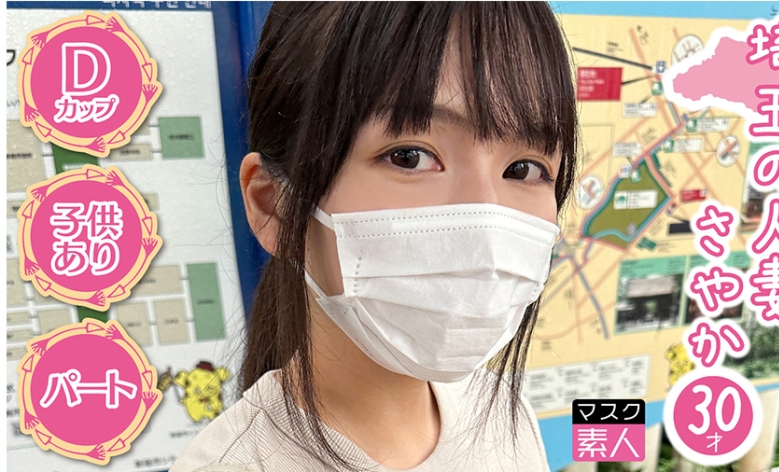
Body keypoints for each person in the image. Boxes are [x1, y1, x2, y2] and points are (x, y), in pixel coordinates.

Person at [171, 2, 577, 471]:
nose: (487, 217)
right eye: (409, 156)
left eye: (523, 169)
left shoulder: (506, 417)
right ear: (273, 205)